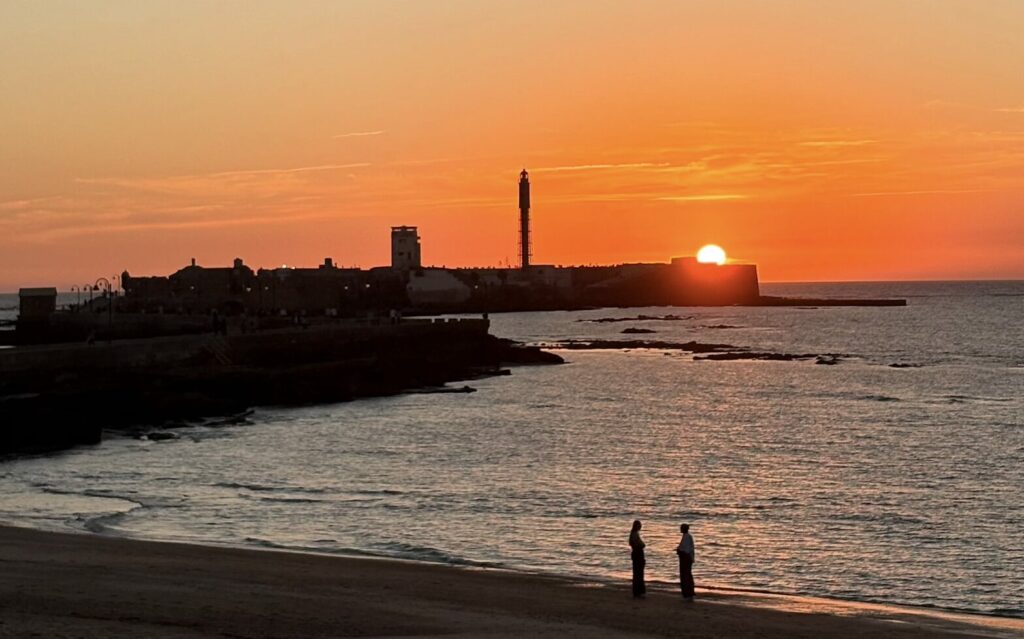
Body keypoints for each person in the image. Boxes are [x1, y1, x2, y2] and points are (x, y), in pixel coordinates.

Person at [676, 523, 695, 600]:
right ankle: (688, 593)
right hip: (686, 558)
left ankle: (688, 593)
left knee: (685, 575)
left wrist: (679, 551)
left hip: (686, 559)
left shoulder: (687, 537)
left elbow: (686, 550)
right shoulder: (686, 536)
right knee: (687, 575)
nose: (680, 529)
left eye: (681, 528)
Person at [629, 520, 646, 598]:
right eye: (639, 525)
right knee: (638, 572)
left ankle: (637, 591)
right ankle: (638, 591)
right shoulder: (635, 534)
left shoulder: (634, 534)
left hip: (636, 554)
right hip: (637, 554)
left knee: (637, 572)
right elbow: (638, 544)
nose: (640, 527)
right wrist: (642, 545)